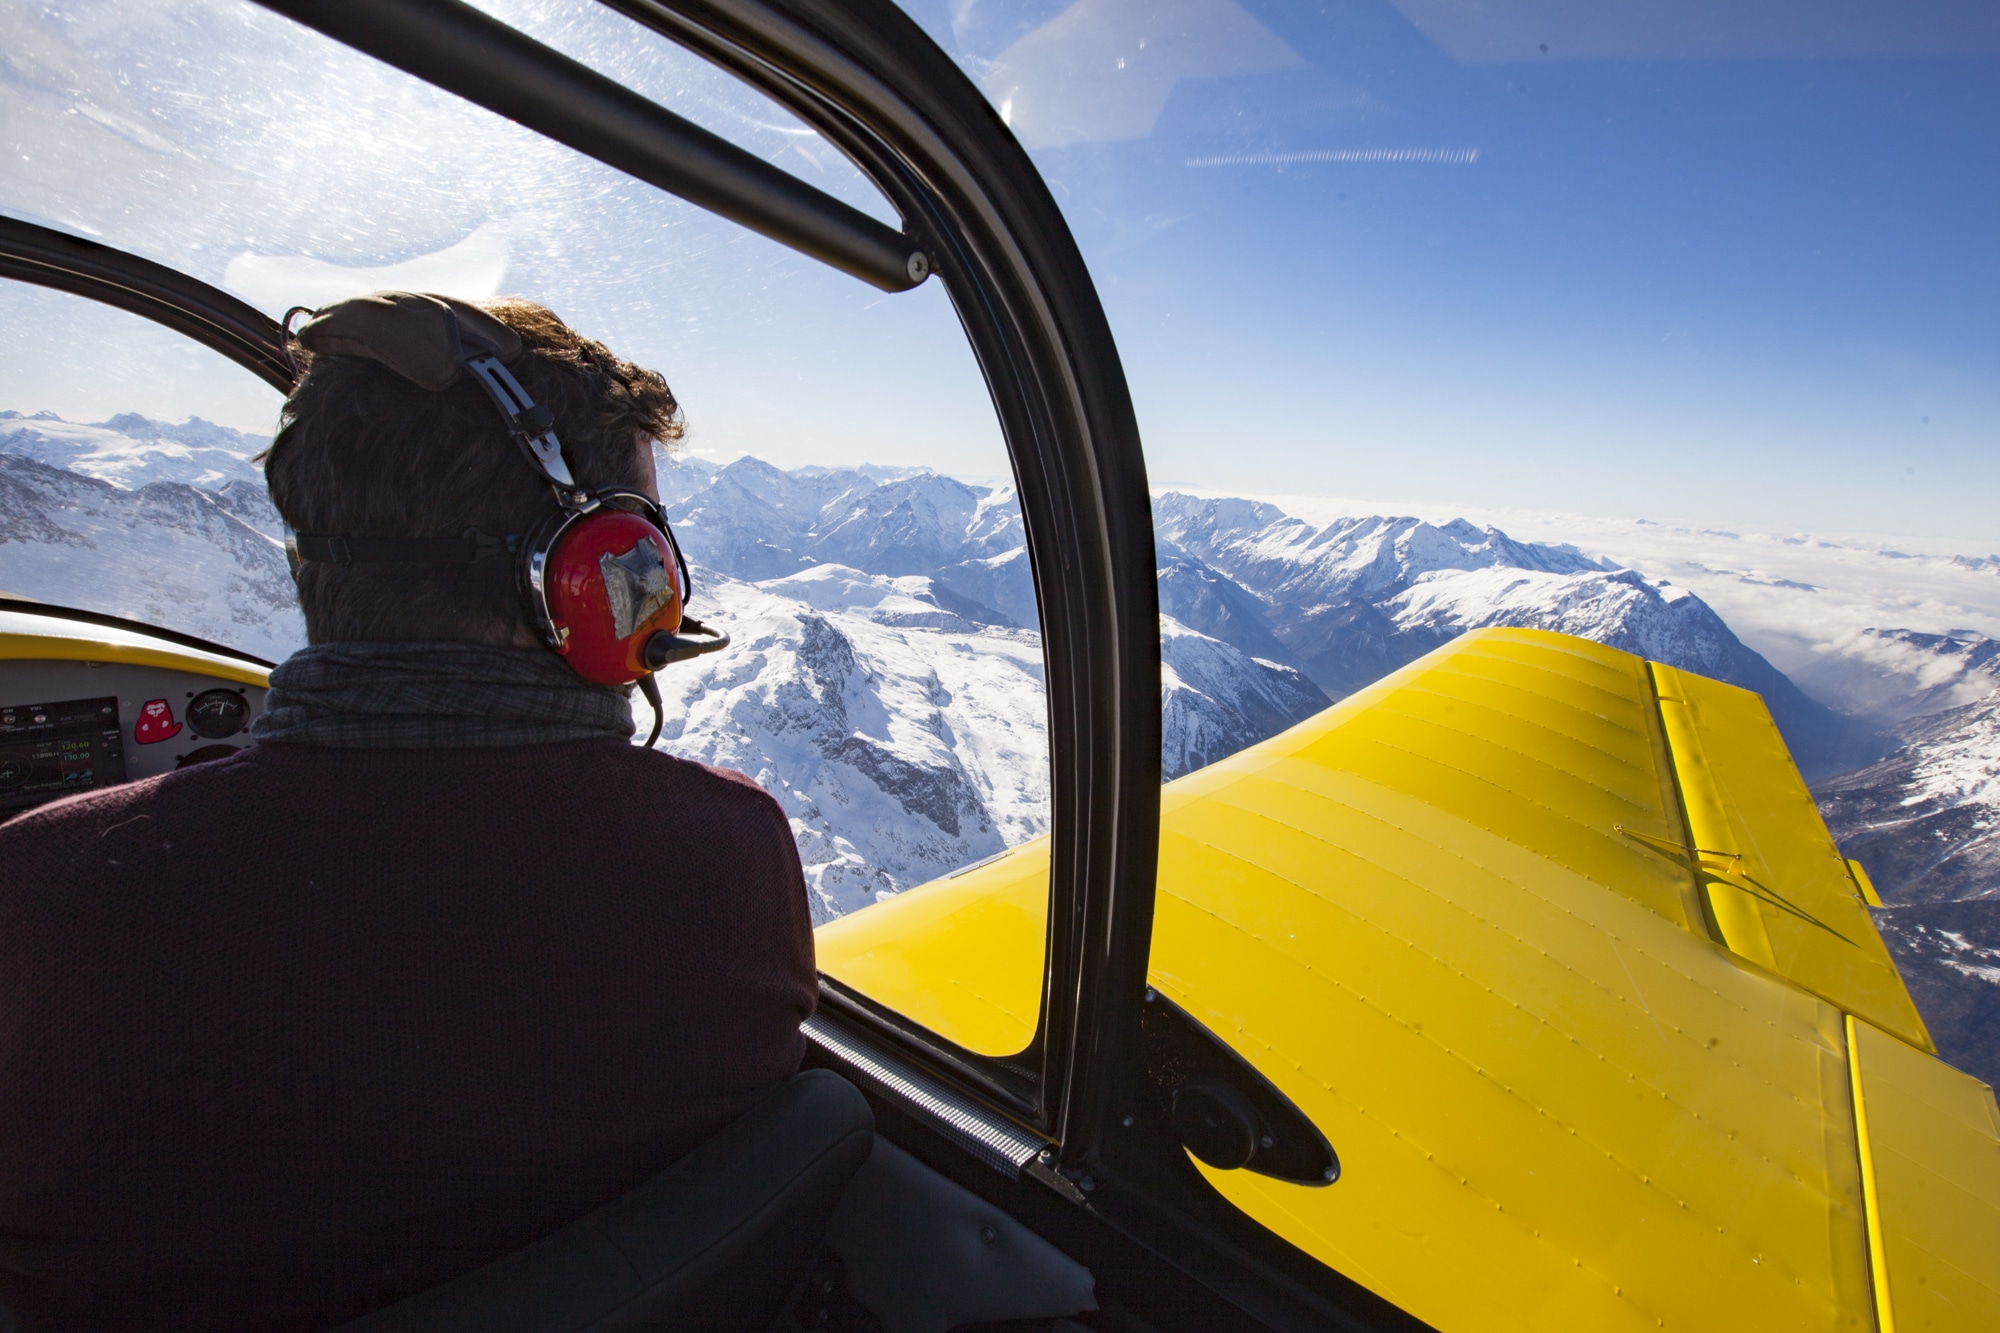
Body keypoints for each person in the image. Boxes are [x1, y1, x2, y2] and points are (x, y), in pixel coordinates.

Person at [0, 294, 817, 1329]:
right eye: (644, 551)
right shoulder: (731, 851)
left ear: (306, 553)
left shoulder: (39, 902)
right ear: (593, 580)